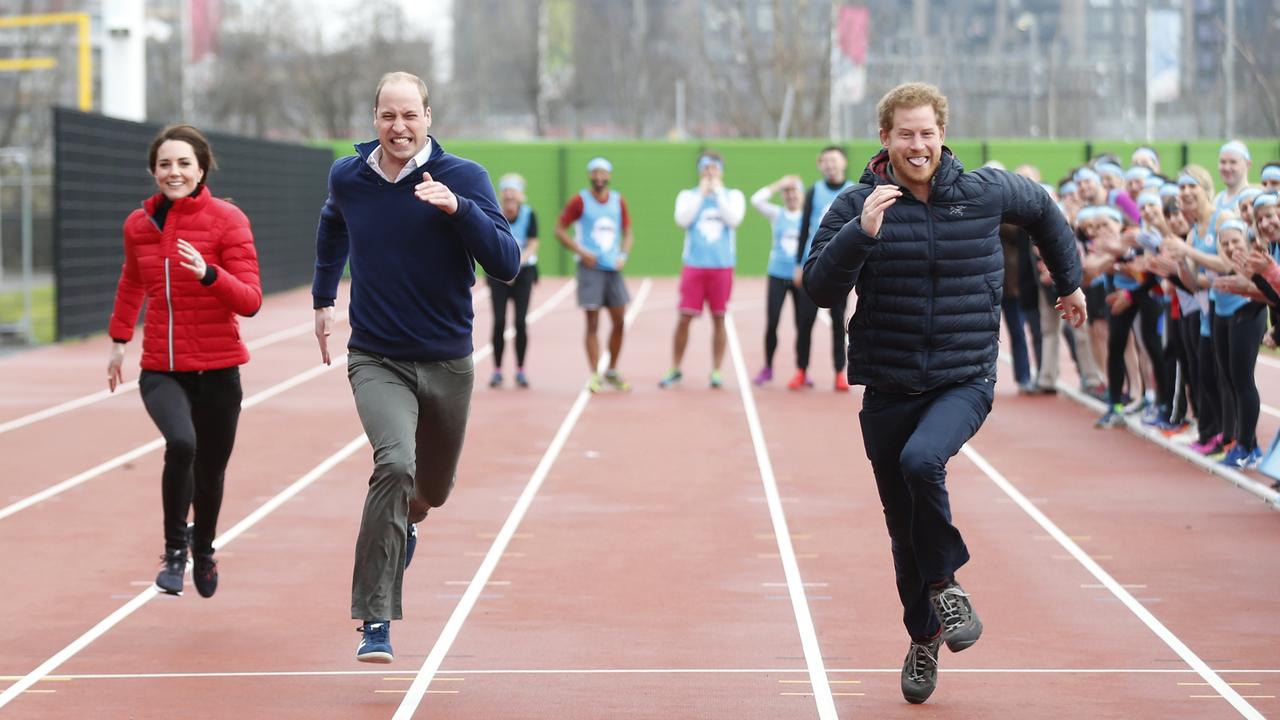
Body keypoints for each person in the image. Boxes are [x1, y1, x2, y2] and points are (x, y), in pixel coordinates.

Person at [802, 82, 1085, 706]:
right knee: (902, 531)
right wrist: (862, 233)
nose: (918, 144)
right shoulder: (858, 201)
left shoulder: (983, 192)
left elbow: (1042, 208)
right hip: (888, 383)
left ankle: (947, 586)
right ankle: (924, 637)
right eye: (905, 133)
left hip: (964, 377)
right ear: (885, 139)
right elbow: (818, 288)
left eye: (927, 132)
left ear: (942, 134)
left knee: (922, 461)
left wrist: (1070, 282)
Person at [312, 71, 519, 663]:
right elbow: (332, 225)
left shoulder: (465, 177)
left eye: (409, 116)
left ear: (429, 117)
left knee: (431, 490)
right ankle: (376, 618)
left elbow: (505, 263)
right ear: (373, 118)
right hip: (376, 356)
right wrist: (324, 299)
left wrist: (459, 210)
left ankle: (410, 525)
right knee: (394, 465)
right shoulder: (349, 177)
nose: (398, 127)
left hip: (448, 361)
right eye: (387, 116)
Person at [108, 124, 263, 599]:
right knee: (181, 443)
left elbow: (251, 300)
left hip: (218, 370)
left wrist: (209, 274)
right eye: (164, 164)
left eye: (183, 164)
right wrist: (118, 340)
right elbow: (133, 281)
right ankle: (175, 551)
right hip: (161, 369)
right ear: (153, 171)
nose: (173, 172)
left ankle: (205, 546)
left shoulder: (228, 220)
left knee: (211, 470)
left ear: (201, 169)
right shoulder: (139, 226)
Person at [659, 150, 746, 389]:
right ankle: (675, 367)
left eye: (714, 168)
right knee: (684, 317)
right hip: (694, 266)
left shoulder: (732, 195)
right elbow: (682, 220)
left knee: (719, 318)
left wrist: (717, 192)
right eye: (706, 168)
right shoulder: (688, 196)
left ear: (721, 170)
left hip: (722, 267)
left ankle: (716, 370)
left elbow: (734, 219)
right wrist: (701, 192)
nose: (710, 172)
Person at [554, 157, 635, 393]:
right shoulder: (580, 200)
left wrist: (624, 255)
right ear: (590, 176)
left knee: (620, 321)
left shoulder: (618, 201)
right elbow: (559, 229)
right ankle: (594, 374)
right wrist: (581, 251)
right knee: (592, 323)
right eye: (595, 173)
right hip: (590, 269)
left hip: (613, 268)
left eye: (603, 173)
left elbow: (629, 233)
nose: (599, 177)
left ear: (609, 176)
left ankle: (611, 370)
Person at [791, 146, 855, 391]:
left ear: (844, 163)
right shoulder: (813, 192)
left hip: (839, 266)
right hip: (813, 264)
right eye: (826, 161)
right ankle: (801, 370)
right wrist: (798, 264)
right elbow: (803, 229)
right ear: (821, 165)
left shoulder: (853, 191)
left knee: (838, 321)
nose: (830, 165)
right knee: (805, 321)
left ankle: (839, 372)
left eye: (834, 160)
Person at [749, 174, 806, 385]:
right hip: (777, 274)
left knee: (802, 325)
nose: (791, 196)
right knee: (772, 322)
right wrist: (778, 184)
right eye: (787, 192)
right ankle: (768, 367)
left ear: (801, 194)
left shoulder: (807, 216)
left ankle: (802, 369)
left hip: (800, 277)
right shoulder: (777, 214)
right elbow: (756, 200)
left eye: (794, 191)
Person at [487, 173, 539, 389]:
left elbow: (533, 244)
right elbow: (489, 241)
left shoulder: (529, 215)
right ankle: (497, 370)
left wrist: (516, 265)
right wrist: (503, 268)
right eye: (506, 190)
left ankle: (520, 370)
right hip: (499, 274)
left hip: (523, 273)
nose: (509, 195)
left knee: (520, 322)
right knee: (499, 321)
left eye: (513, 191)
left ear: (520, 195)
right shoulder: (494, 214)